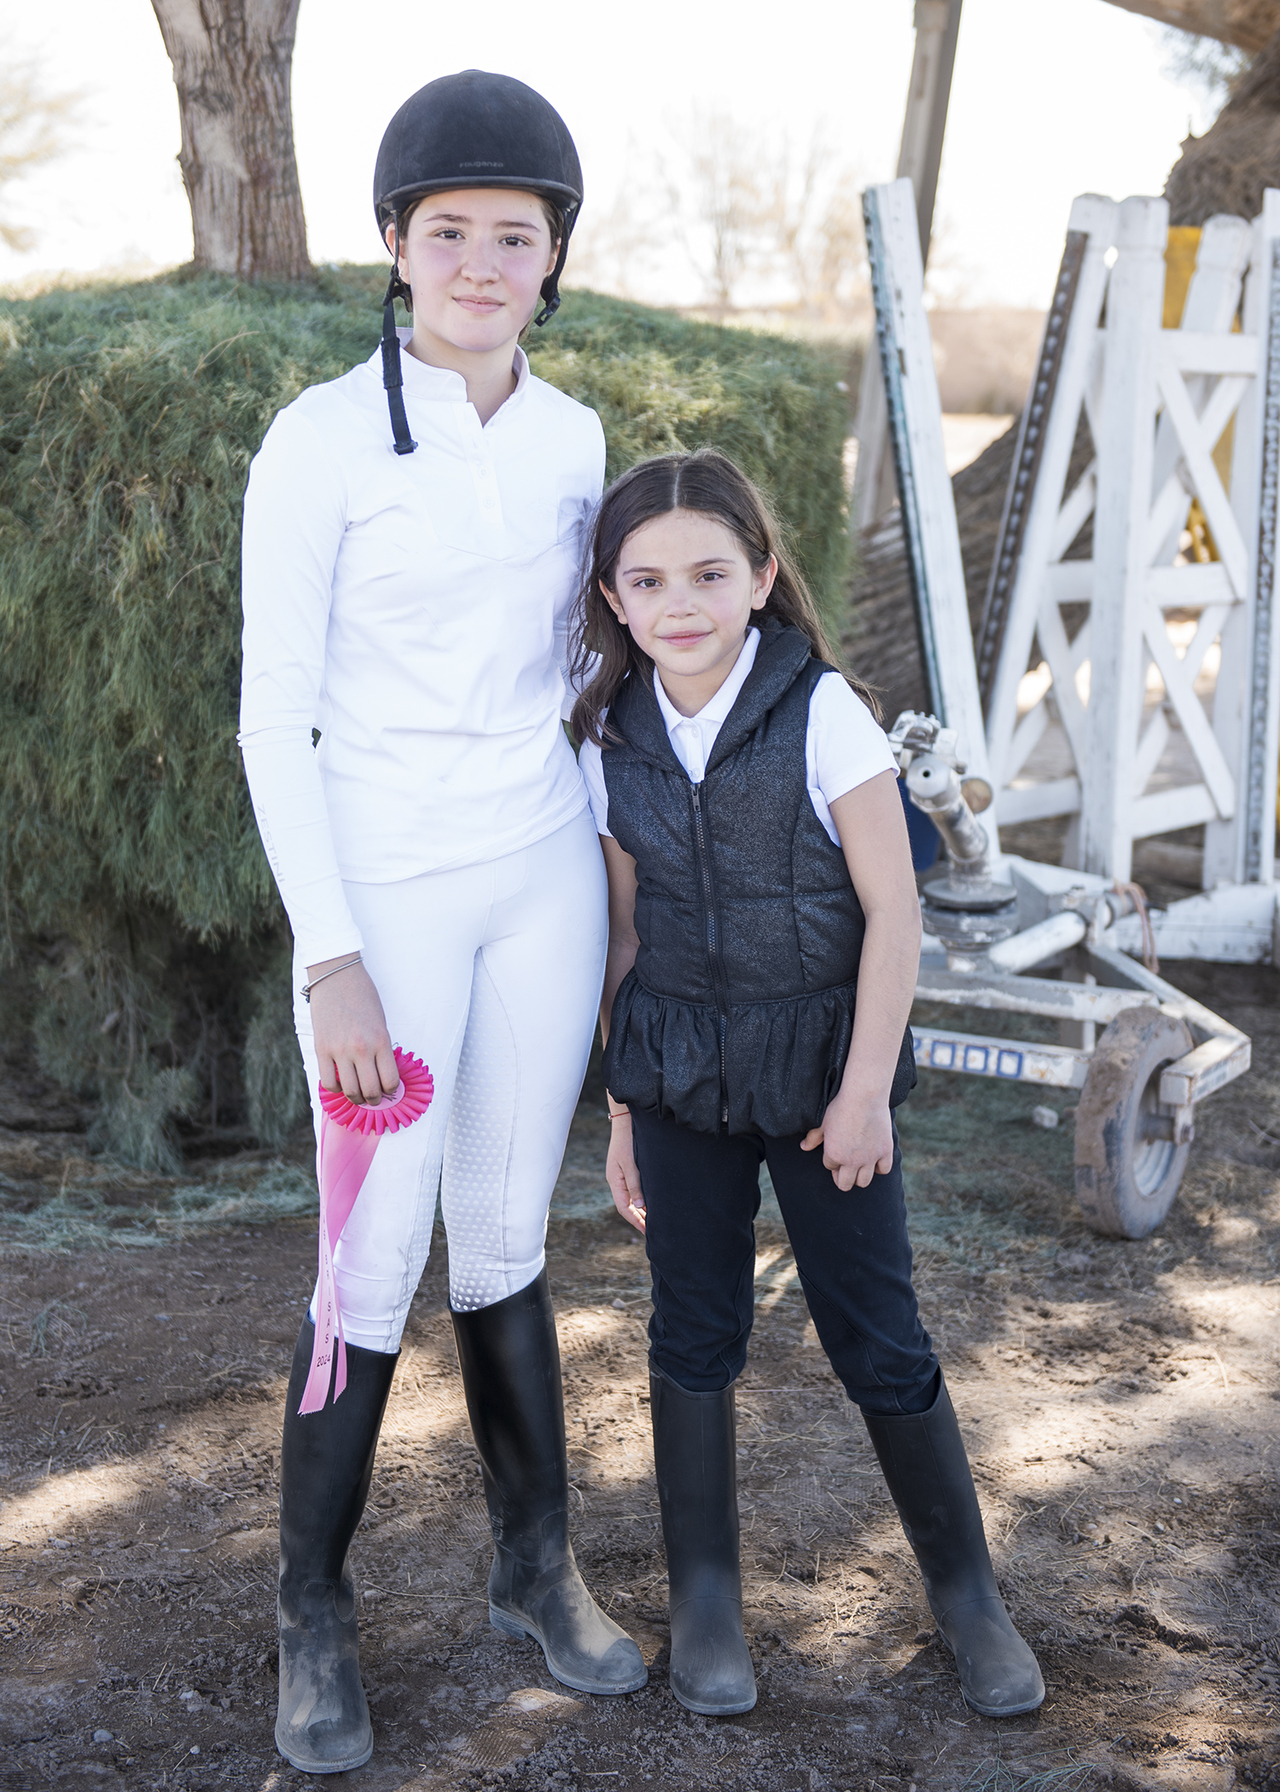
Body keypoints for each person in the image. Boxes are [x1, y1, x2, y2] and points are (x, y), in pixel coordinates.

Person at [238, 69, 645, 1777]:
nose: (485, 263)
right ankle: (311, 1608)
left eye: (518, 236)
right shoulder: (320, 439)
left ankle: (534, 1569)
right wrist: (328, 954)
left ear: (554, 259)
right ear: (396, 245)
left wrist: (615, 890)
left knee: (502, 1228)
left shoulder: (575, 438)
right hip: (386, 895)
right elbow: (274, 714)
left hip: (536, 873)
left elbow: (585, 673)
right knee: (371, 1248)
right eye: (452, 231)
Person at [572, 449, 1044, 1722]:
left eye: (708, 573)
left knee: (875, 1332)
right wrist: (620, 1106)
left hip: (818, 1073)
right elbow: (623, 934)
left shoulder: (821, 710)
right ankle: (705, 1603)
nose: (680, 602)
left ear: (761, 575)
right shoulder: (608, 734)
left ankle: (967, 1598)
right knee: (690, 1330)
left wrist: (865, 1089)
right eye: (647, 580)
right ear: (613, 597)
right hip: (677, 1076)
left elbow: (895, 911)